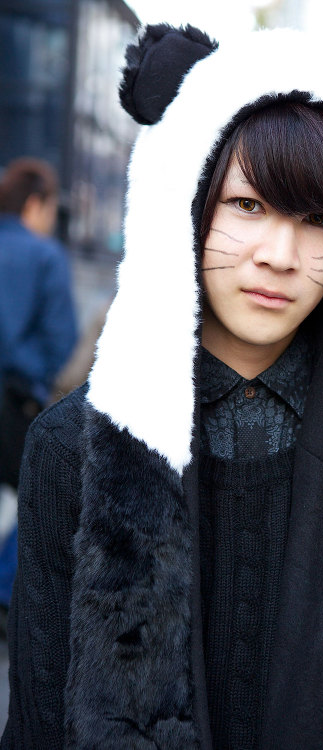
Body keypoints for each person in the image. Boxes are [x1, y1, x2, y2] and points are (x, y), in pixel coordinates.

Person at [1, 24, 323, 750]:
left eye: (318, 221)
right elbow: (33, 720)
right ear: (185, 204)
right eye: (248, 205)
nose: (280, 256)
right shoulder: (71, 443)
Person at [0, 158, 77, 621]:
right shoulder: (45, 256)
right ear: (35, 204)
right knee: (40, 492)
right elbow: (61, 340)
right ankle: (7, 587)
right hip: (15, 398)